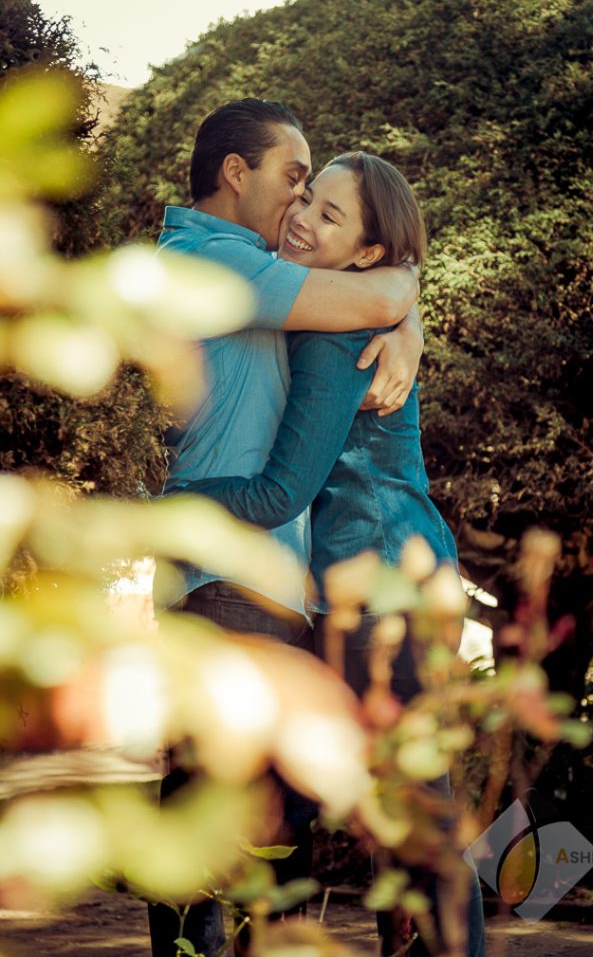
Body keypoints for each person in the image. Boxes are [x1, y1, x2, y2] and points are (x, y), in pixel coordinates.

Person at [181, 152, 486, 957]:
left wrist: (174, 507)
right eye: (306, 198)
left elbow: (280, 494)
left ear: (364, 254)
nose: (300, 217)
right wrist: (405, 310)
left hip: (386, 585)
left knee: (414, 819)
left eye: (328, 215)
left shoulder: (334, 334)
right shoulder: (352, 309)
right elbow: (396, 284)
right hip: (390, 580)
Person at [149, 101, 424, 957]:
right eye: (294, 179)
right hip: (226, 586)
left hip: (260, 589)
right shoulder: (210, 260)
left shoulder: (249, 266)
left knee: (268, 833)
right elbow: (377, 286)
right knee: (219, 829)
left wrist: (401, 317)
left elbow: (374, 290)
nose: (301, 205)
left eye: (316, 195)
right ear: (238, 174)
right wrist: (401, 302)